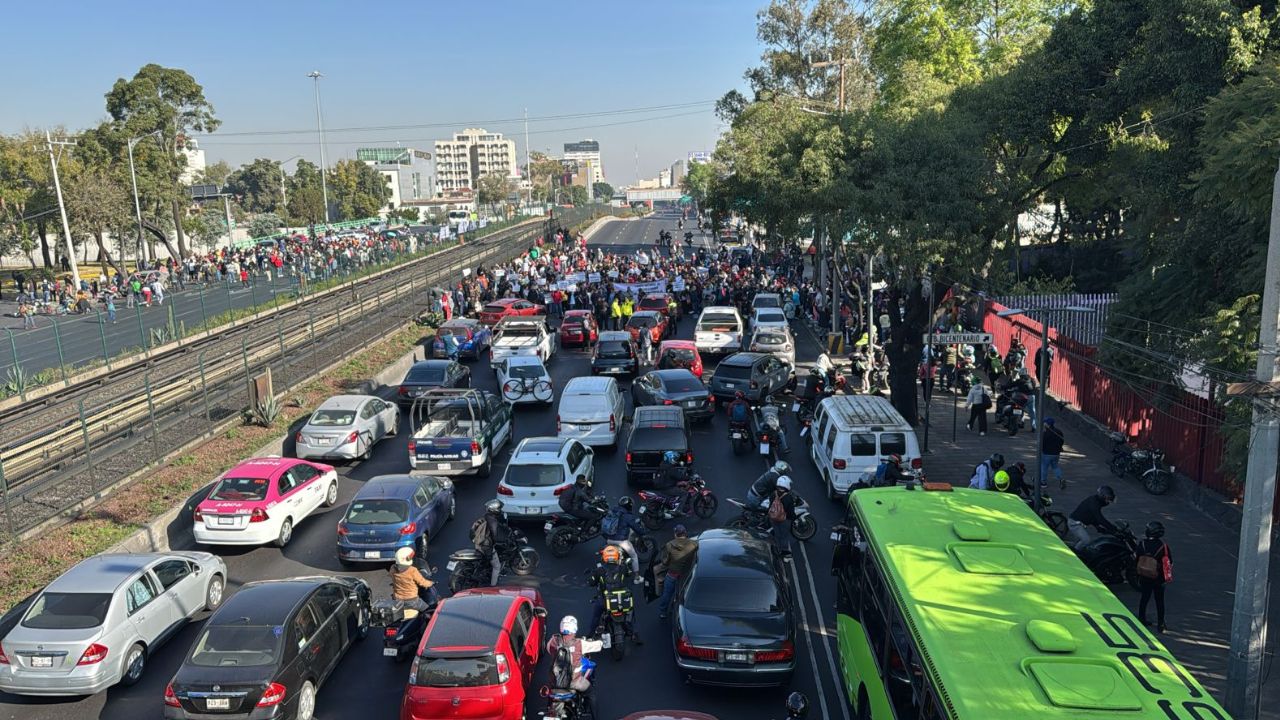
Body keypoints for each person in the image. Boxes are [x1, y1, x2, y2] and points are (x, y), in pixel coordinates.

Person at [587, 545, 643, 644]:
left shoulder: (599, 570)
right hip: (621, 599)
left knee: (596, 616)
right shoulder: (622, 567)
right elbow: (629, 574)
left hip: (604, 600)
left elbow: (591, 582)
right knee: (631, 613)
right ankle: (635, 634)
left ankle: (590, 636)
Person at [546, 615, 603, 703]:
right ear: (574, 628)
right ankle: (595, 716)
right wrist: (600, 641)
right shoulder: (579, 643)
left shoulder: (554, 640)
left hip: (555, 682)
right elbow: (598, 646)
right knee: (591, 693)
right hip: (574, 682)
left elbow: (549, 649)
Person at [1135, 521, 1171, 633]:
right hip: (1158, 577)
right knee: (1159, 600)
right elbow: (1168, 562)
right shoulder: (1163, 546)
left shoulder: (1142, 544)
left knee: (1144, 597)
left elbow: (1137, 557)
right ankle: (1161, 624)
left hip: (1144, 576)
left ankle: (1141, 618)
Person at [657, 525, 698, 619]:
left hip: (672, 574)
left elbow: (665, 561)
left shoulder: (669, 545)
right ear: (685, 533)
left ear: (675, 534)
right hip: (686, 575)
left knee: (667, 594)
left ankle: (663, 612)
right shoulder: (694, 544)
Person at [601, 496, 648, 578]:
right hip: (621, 541)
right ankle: (637, 577)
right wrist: (643, 532)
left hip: (608, 539)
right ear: (629, 506)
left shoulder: (612, 511)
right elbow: (636, 528)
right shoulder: (627, 516)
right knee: (634, 556)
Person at [474, 499, 512, 586]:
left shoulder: (486, 517)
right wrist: (503, 539)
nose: (500, 510)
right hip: (486, 546)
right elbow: (495, 535)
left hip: (479, 543)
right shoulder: (493, 522)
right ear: (495, 510)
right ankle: (493, 586)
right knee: (497, 566)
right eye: (499, 509)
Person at [388, 547, 435, 612]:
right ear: (406, 559)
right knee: (429, 611)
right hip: (412, 600)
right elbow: (422, 582)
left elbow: (392, 576)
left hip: (397, 600)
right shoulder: (412, 570)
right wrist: (431, 583)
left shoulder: (392, 568)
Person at [768, 476, 798, 559]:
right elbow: (790, 512)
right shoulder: (788, 497)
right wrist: (793, 518)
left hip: (773, 518)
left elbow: (770, 505)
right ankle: (784, 552)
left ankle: (777, 548)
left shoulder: (773, 494)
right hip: (784, 520)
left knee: (777, 534)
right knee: (784, 536)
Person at [1041, 417, 1066, 489]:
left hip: (1046, 453)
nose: (1043, 424)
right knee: (1055, 466)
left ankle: (1043, 482)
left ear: (1048, 424)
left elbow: (1043, 444)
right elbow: (1062, 441)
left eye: (1045, 423)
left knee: (1044, 467)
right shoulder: (1059, 432)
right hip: (1056, 453)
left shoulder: (1045, 434)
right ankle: (1061, 479)